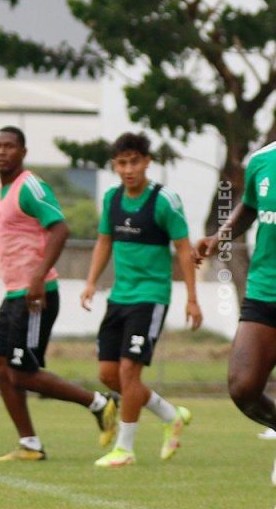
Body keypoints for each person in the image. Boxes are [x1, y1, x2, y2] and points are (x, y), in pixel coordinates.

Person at [0, 127, 118, 462]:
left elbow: (60, 228)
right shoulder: (2, 191)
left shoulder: (30, 186)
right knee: (0, 366)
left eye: (9, 146)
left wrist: (38, 276)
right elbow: (3, 239)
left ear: (23, 152)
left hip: (36, 296)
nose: (1, 151)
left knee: (21, 371)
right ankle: (30, 444)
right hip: (15, 294)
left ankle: (99, 403)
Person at [80, 132, 201, 468]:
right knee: (109, 375)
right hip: (119, 296)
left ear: (147, 162)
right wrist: (90, 282)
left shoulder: (164, 201)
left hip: (150, 297)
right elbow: (104, 242)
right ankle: (171, 415)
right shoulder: (112, 199)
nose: (128, 169)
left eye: (134, 162)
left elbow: (184, 250)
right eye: (122, 163)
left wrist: (192, 298)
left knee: (129, 371)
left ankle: (125, 449)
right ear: (114, 166)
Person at [196, 140, 276, 491]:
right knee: (243, 387)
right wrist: (219, 238)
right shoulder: (262, 160)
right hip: (265, 289)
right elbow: (250, 207)